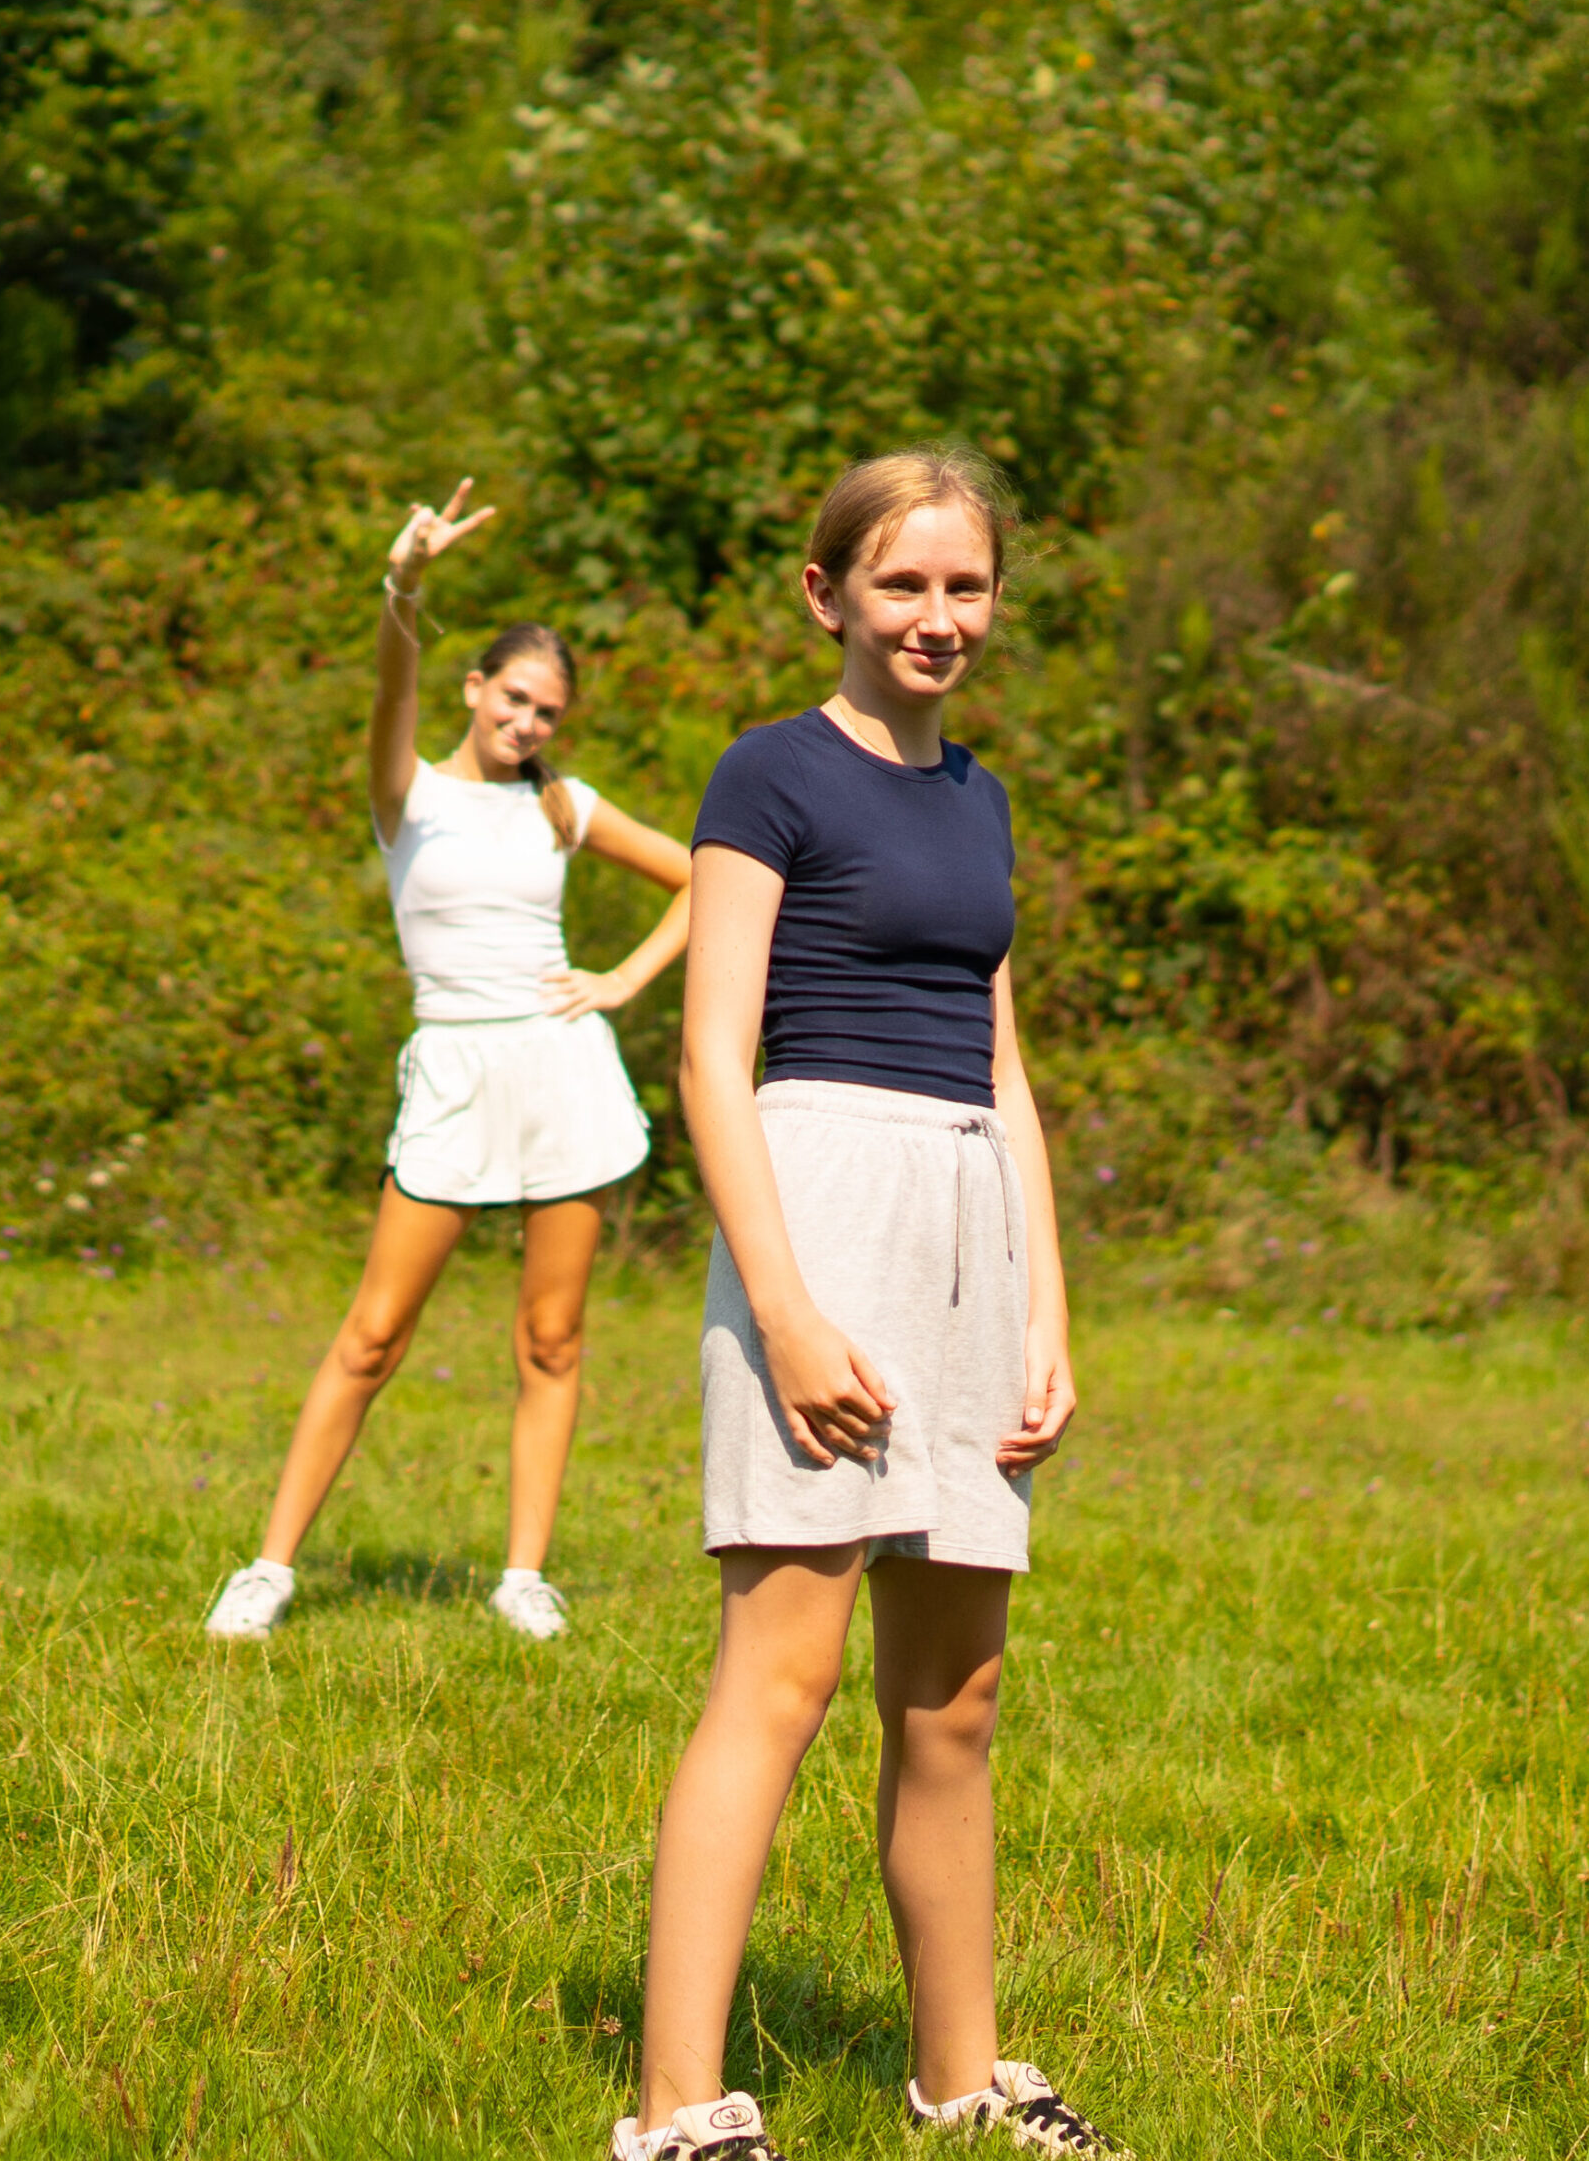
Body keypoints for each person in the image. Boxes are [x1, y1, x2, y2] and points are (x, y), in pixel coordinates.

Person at [613, 449, 1132, 2161]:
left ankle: (958, 2081)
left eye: (963, 585)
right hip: (820, 1214)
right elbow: (711, 1054)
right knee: (783, 1677)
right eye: (900, 583)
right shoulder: (765, 775)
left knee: (953, 1700)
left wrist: (1045, 1313)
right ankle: (676, 2109)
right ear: (825, 594)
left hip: (971, 1226)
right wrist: (784, 1309)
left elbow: (1003, 1064)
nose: (935, 616)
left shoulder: (981, 799)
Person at [206, 482, 692, 1645]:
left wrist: (623, 980)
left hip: (561, 1073)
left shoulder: (565, 806)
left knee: (551, 1339)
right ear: (475, 688)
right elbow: (391, 688)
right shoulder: (407, 796)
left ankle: (522, 1576)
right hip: (453, 1076)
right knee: (373, 1334)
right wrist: (405, 582)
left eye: (546, 712)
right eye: (513, 698)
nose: (527, 723)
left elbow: (705, 877)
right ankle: (268, 1569)